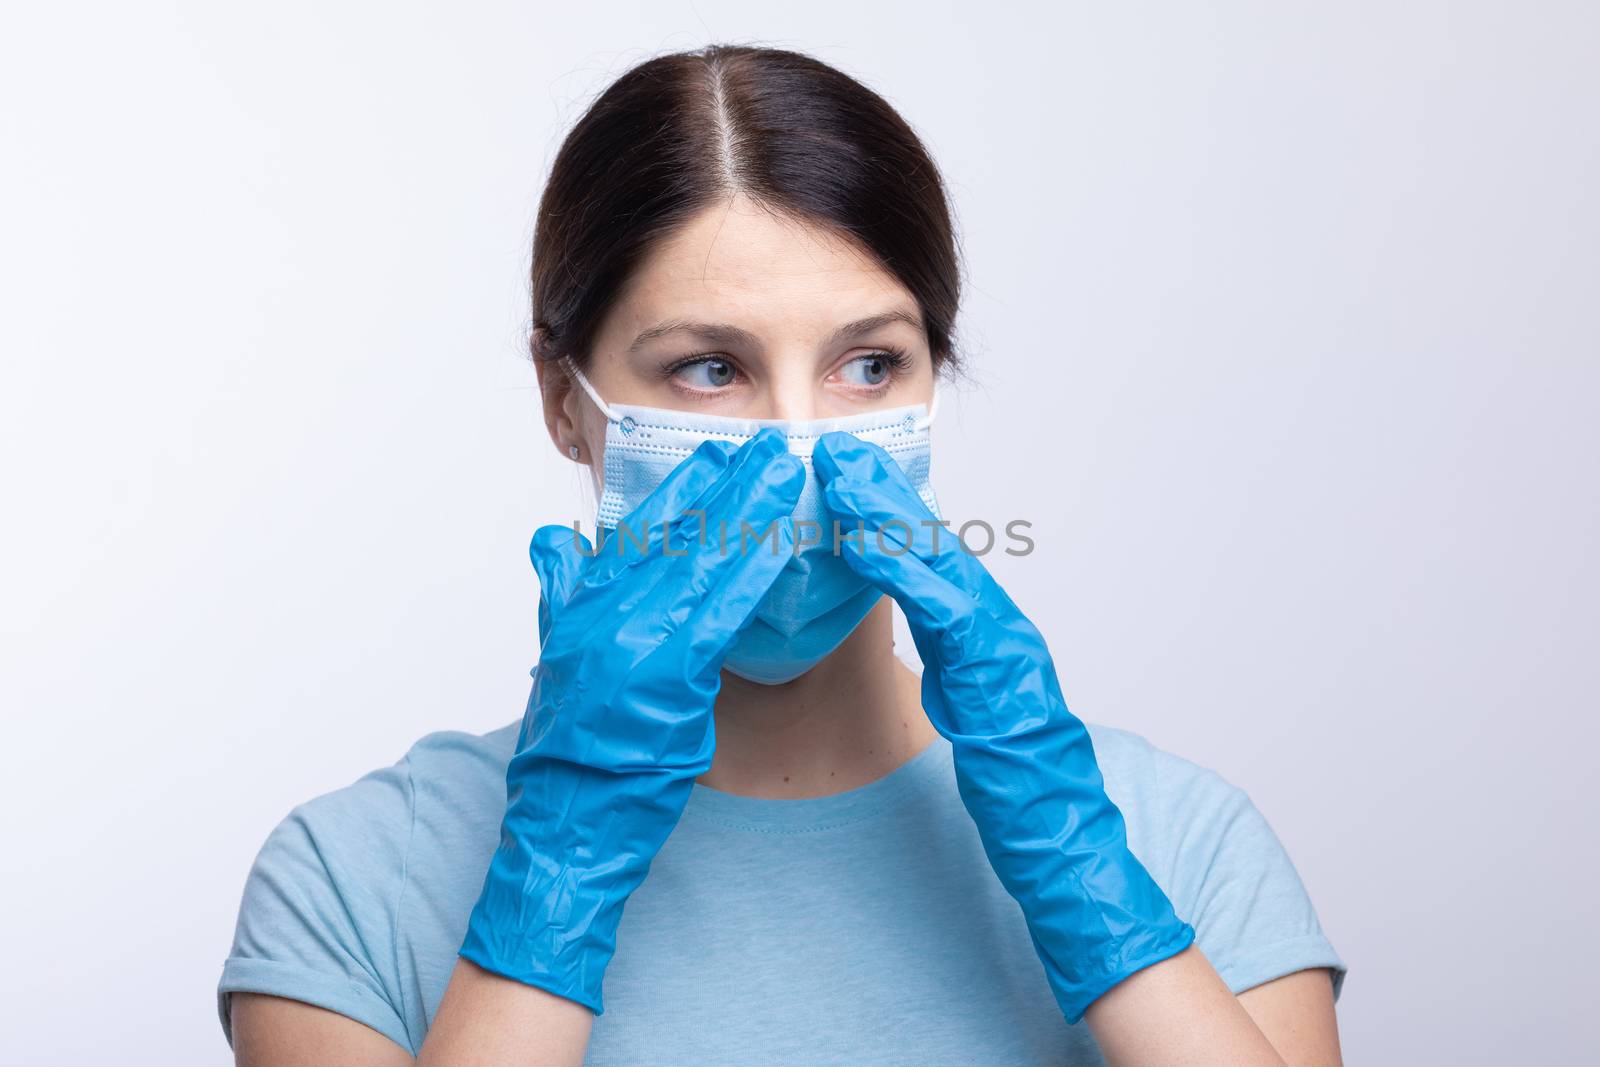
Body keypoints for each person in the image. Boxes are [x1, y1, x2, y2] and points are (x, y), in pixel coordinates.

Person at [218, 43, 1347, 1066]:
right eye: (711, 367)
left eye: (868, 365)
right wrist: (551, 885)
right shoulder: (356, 882)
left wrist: (1101, 907)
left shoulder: (1179, 844)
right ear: (564, 398)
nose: (797, 449)